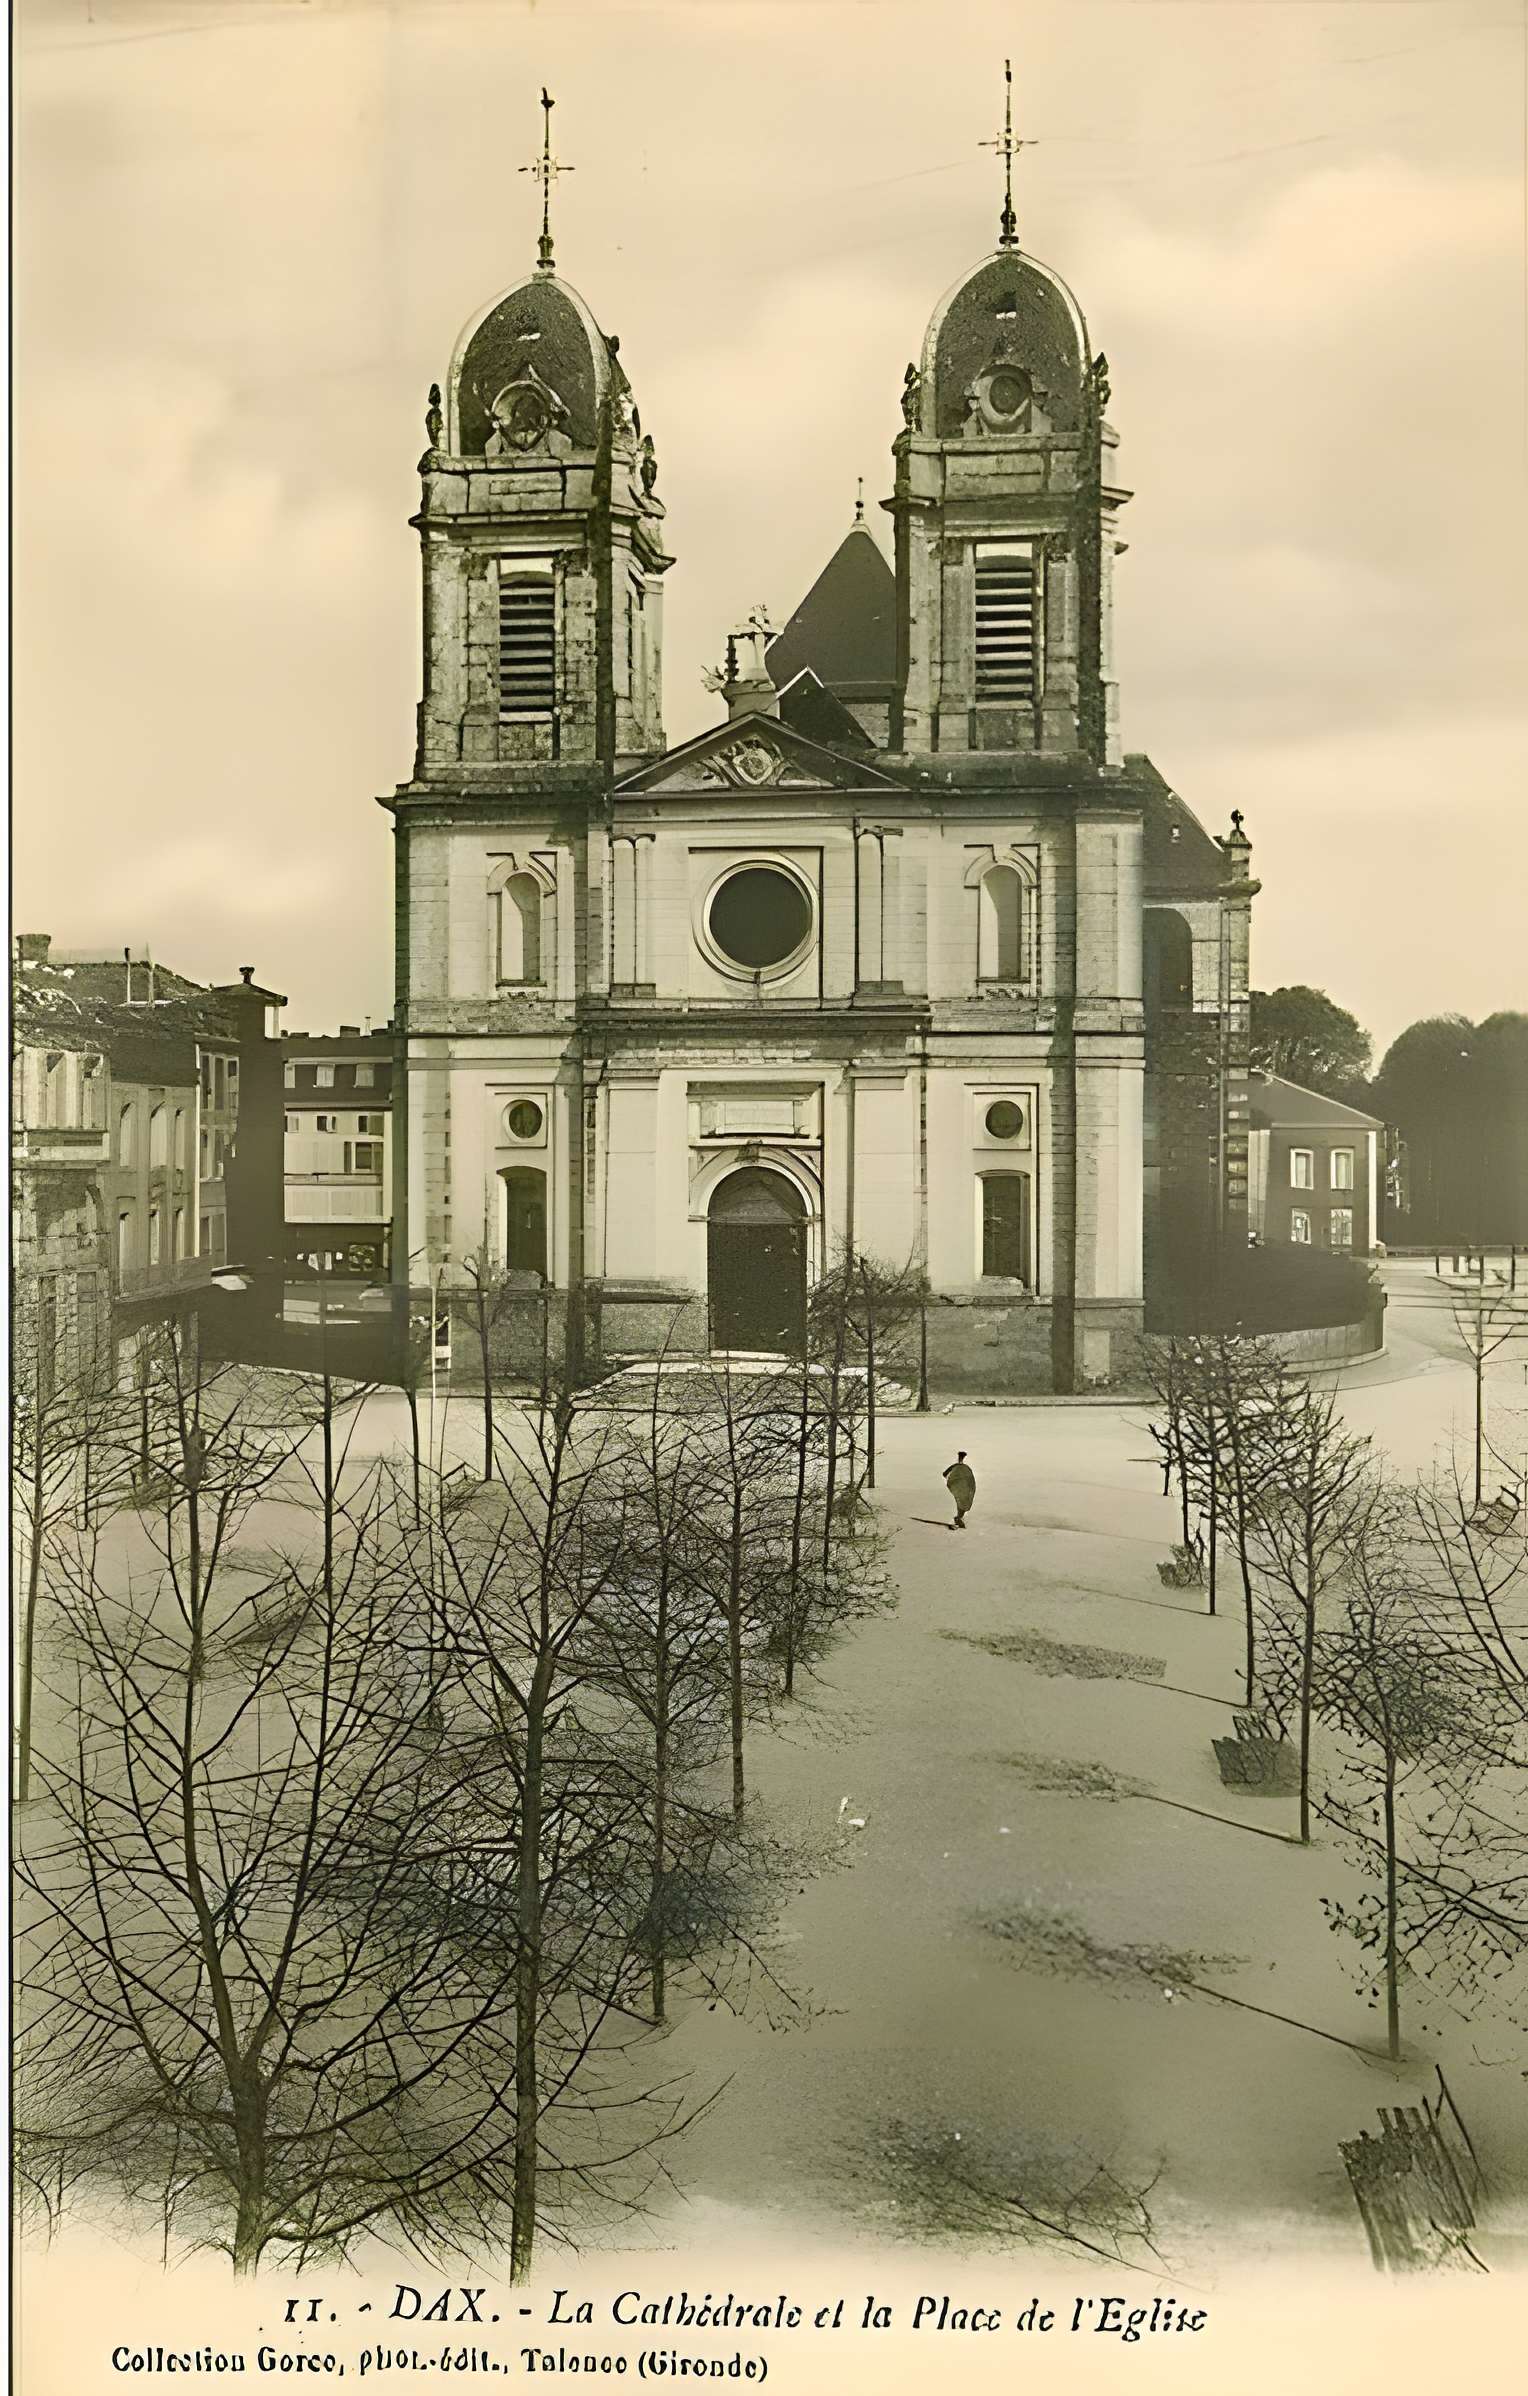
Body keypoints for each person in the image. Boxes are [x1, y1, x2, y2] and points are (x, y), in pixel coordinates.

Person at [943, 1450, 976, 1531]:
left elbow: (944, 1474)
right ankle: (958, 1518)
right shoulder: (962, 1467)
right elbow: (945, 1474)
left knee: (962, 1503)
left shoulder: (961, 1467)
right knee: (961, 1503)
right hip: (960, 1489)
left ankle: (958, 1518)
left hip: (963, 1489)